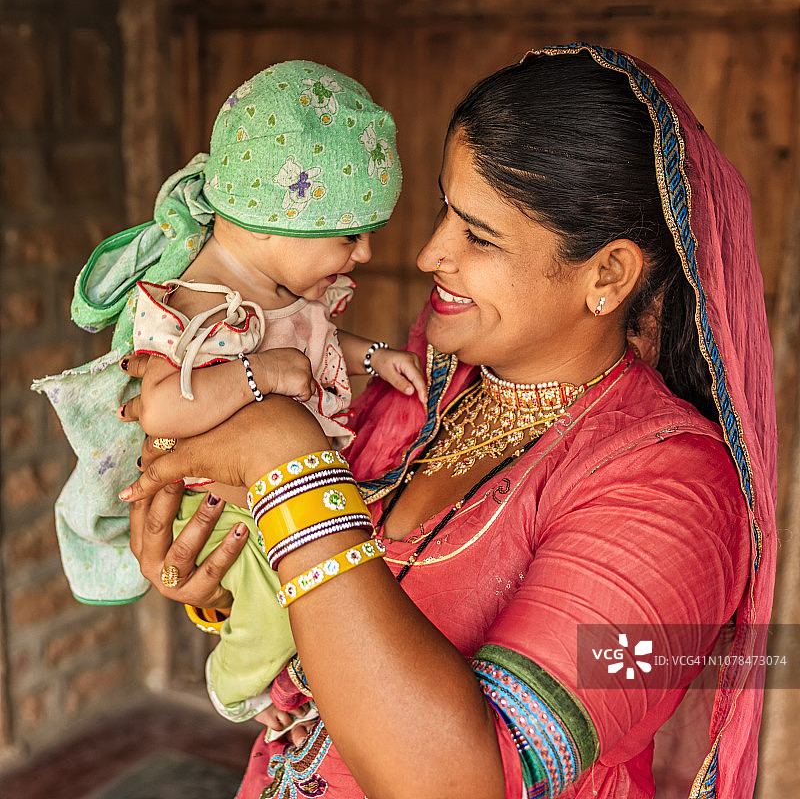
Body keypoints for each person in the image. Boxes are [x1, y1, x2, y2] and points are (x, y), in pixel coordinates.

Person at [118, 44, 777, 799]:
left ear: (607, 275)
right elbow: (318, 593)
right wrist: (219, 581)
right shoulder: (419, 385)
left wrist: (284, 461)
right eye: (443, 209)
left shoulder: (672, 493)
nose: (430, 252)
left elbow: (466, 783)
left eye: (479, 235)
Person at [34, 61, 423, 728]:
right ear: (270, 225)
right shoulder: (189, 302)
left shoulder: (280, 290)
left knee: (318, 604)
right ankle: (235, 689)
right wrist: (258, 375)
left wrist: (373, 356)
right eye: (349, 236)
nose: (361, 255)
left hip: (273, 490)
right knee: (279, 616)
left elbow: (314, 342)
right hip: (212, 505)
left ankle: (280, 685)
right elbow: (159, 406)